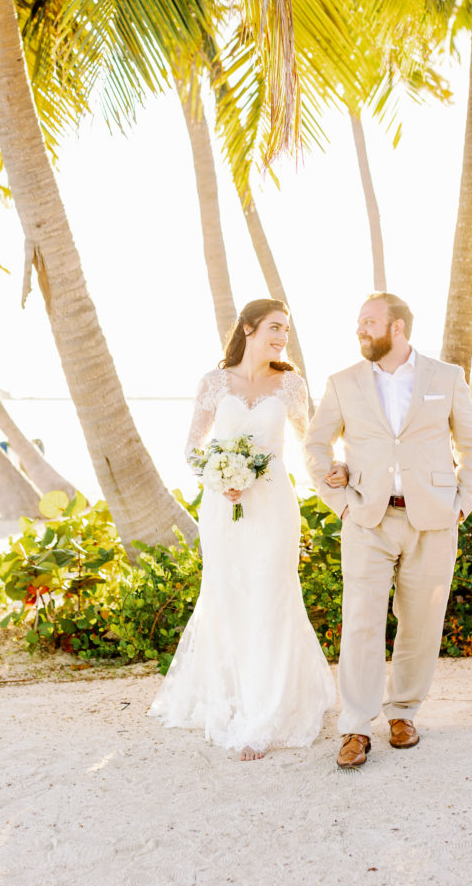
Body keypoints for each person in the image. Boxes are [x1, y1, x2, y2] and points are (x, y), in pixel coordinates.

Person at [305, 292, 472, 769]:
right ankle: (356, 727)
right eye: (359, 322)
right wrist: (338, 501)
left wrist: (462, 505)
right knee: (361, 623)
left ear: (399, 327)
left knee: (421, 625)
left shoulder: (446, 377)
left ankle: (403, 713)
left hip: (433, 521)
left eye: (369, 321)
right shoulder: (342, 383)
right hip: (367, 519)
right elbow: (316, 444)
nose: (360, 329)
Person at [148, 299, 335, 761]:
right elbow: (192, 448)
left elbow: (311, 443)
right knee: (228, 595)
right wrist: (219, 476)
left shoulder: (291, 385)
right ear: (248, 328)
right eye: (274, 327)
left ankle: (265, 713)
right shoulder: (214, 383)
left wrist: (334, 472)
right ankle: (233, 697)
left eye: (286, 330)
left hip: (273, 504)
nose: (281, 337)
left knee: (271, 595)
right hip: (222, 509)